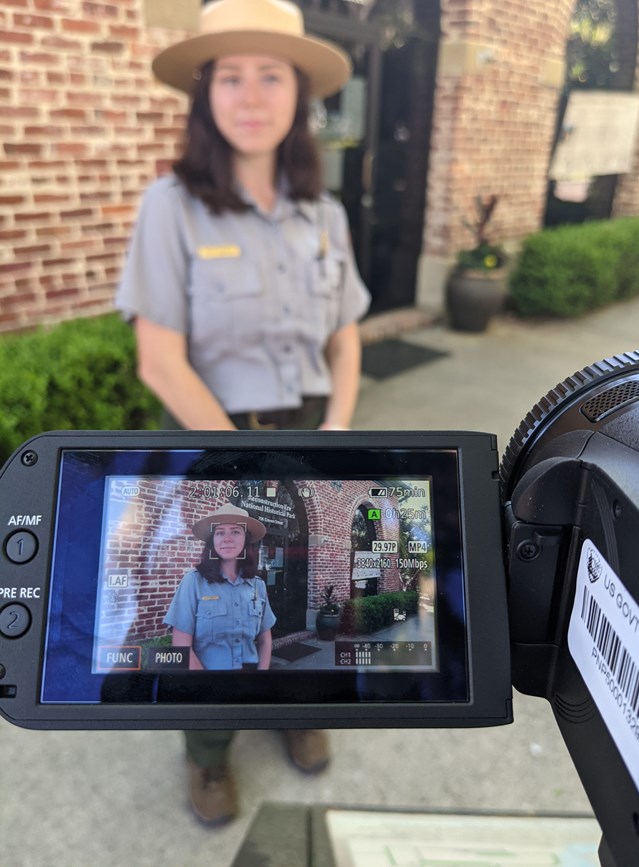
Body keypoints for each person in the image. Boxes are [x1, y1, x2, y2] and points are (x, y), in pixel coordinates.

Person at [115, 0, 371, 828]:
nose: (252, 94)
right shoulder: (171, 205)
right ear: (205, 92)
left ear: (300, 95)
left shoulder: (323, 215)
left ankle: (296, 705)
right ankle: (209, 750)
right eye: (232, 75)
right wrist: (240, 462)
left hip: (302, 429)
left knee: (305, 592)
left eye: (272, 75)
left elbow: (345, 333)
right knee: (209, 604)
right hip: (203, 438)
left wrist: (336, 428)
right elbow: (160, 358)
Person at [165, 505, 275, 671]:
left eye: (236, 531)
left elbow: (265, 638)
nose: (227, 539)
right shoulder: (193, 582)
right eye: (220, 532)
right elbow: (181, 644)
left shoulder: (257, 584)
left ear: (246, 540)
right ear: (212, 541)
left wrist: (261, 675)